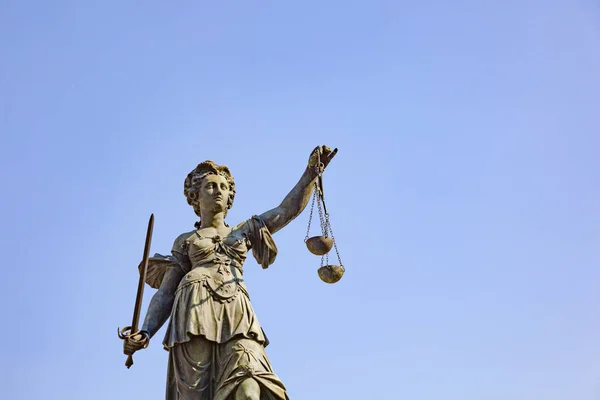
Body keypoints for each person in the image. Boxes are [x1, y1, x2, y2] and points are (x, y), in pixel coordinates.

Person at [124, 145, 337, 400]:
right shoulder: (186, 240)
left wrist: (311, 173)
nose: (218, 191)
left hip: (237, 313)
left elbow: (285, 211)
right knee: (197, 394)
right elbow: (166, 293)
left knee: (251, 386)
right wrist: (145, 332)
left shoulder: (244, 231)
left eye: (223, 187)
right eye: (210, 186)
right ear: (195, 196)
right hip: (193, 315)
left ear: (229, 197)